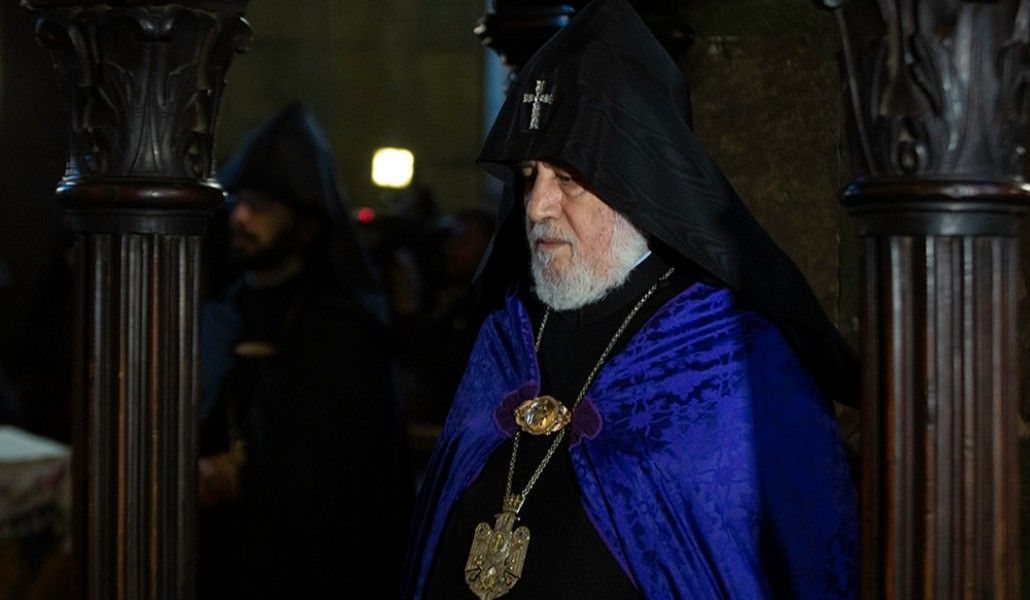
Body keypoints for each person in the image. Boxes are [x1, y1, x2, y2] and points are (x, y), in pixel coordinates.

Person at [402, 1, 859, 598]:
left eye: (568, 178)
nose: (537, 206)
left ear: (637, 184)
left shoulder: (733, 357)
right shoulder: (508, 334)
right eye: (531, 175)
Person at [198, 103, 411, 598]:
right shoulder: (220, 313)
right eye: (239, 202)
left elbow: (356, 476)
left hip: (309, 566)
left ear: (308, 225)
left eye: (262, 206)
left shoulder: (343, 333)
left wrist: (249, 476)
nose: (240, 217)